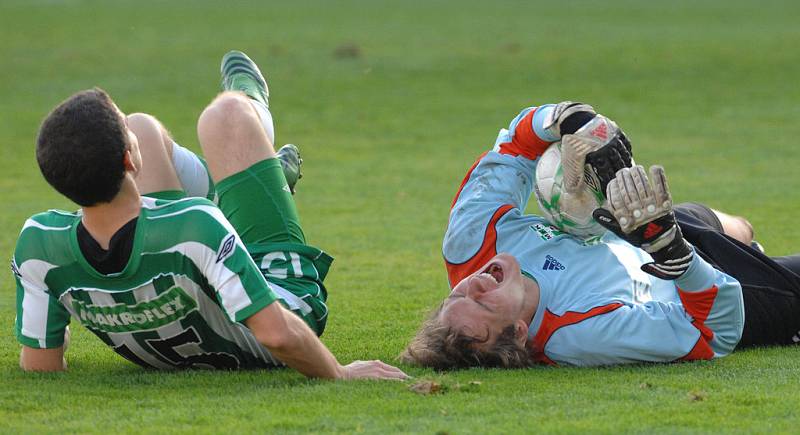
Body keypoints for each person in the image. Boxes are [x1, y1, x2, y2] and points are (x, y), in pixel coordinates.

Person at [13, 50, 408, 380]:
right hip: (279, 302)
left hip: (168, 342)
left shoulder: (38, 244)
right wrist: (340, 373)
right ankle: (262, 163)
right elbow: (277, 336)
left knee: (141, 125)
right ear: (129, 160)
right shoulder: (196, 225)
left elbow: (40, 365)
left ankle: (260, 179)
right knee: (228, 116)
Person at [402, 102, 800, 369]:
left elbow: (514, 148)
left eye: (457, 293)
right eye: (483, 304)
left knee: (736, 226)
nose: (473, 286)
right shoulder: (577, 336)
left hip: (636, 235)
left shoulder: (471, 245)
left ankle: (749, 246)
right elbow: (711, 334)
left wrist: (566, 119)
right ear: (520, 331)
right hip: (702, 288)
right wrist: (672, 252)